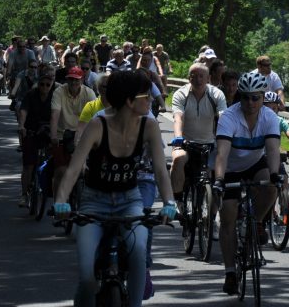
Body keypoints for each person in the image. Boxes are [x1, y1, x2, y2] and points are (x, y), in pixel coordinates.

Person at [53, 71, 176, 307]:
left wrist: (170, 203)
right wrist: (61, 201)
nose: (151, 100)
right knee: (87, 275)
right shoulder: (97, 125)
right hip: (93, 202)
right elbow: (73, 169)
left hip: (130, 200)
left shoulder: (149, 126)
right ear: (129, 101)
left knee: (139, 252)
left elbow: (161, 171)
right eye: (146, 96)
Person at [211, 72, 282, 295]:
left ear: (262, 98)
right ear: (239, 97)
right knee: (228, 216)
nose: (250, 103)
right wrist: (220, 181)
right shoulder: (229, 117)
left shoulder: (269, 117)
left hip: (255, 162)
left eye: (256, 98)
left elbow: (272, 150)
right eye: (246, 98)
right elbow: (222, 154)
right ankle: (230, 272)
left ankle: (257, 222)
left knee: (271, 186)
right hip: (230, 167)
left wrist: (274, 175)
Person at [169, 63, 226, 204]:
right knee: (178, 159)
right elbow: (178, 117)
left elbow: (223, 117)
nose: (198, 80)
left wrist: (225, 138)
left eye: (202, 76)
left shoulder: (217, 94)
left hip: (210, 144)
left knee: (221, 168)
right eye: (194, 76)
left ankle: (214, 210)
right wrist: (178, 137)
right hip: (186, 143)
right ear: (189, 78)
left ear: (208, 78)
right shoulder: (180, 94)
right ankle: (177, 201)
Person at [50, 66, 97, 202]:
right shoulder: (59, 91)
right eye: (70, 79)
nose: (73, 83)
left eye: (76, 80)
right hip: (62, 134)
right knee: (60, 171)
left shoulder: (89, 93)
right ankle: (57, 203)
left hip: (83, 136)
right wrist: (53, 136)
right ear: (67, 80)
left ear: (82, 80)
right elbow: (54, 115)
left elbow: (96, 117)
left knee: (88, 171)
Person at [17, 67, 55, 208]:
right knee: (28, 165)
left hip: (49, 132)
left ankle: (52, 193)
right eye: (42, 84)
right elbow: (24, 111)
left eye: (48, 84)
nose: (44, 87)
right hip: (31, 130)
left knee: (53, 164)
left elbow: (58, 114)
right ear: (38, 84)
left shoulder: (55, 96)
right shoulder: (31, 95)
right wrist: (22, 126)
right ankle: (24, 194)